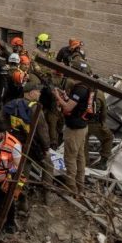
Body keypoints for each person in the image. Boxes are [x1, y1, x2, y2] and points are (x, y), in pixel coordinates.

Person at [55, 57, 93, 194]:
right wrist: (65, 95)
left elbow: (67, 108)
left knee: (70, 158)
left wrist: (58, 97)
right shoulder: (85, 86)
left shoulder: (80, 89)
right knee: (80, 157)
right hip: (82, 126)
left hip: (75, 129)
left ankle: (71, 187)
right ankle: (80, 185)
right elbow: (75, 104)